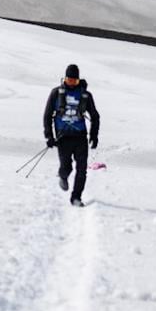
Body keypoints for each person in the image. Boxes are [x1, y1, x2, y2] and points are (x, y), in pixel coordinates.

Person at [43, 64, 100, 206]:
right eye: (69, 81)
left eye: (74, 81)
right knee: (66, 167)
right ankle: (63, 176)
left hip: (80, 137)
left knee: (82, 169)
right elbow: (47, 115)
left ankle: (76, 198)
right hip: (63, 138)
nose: (72, 84)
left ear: (78, 80)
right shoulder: (56, 93)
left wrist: (94, 135)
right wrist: (49, 136)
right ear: (64, 79)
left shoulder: (85, 95)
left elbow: (95, 116)